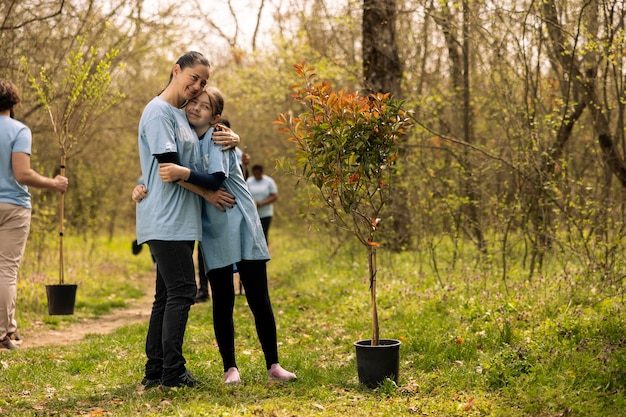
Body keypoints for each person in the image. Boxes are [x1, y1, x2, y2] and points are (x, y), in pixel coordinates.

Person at [133, 86, 296, 384]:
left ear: (216, 116)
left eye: (204, 106)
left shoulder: (219, 137)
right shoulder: (183, 136)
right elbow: (160, 164)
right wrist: (141, 184)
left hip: (240, 221)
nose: (195, 107)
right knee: (222, 300)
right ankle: (230, 368)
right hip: (212, 229)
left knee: (258, 297)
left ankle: (274, 364)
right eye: (193, 101)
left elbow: (216, 179)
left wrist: (183, 173)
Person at [135, 51, 239, 389]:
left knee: (166, 295)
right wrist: (208, 194)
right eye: (193, 78)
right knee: (183, 292)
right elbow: (167, 169)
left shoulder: (181, 116)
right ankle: (173, 374)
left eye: (203, 83)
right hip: (166, 219)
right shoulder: (158, 112)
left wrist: (235, 138)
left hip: (180, 219)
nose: (197, 87)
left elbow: (205, 143)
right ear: (176, 70)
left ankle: (155, 372)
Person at [0, 79, 69, 350]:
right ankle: (4, 333)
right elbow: (22, 173)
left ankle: (8, 329)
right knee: (6, 270)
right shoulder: (19, 130)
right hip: (13, 207)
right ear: (14, 103)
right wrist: (54, 183)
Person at [247, 164, 277, 244]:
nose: (257, 175)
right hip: (252, 213)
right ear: (253, 172)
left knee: (263, 234)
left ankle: (265, 255)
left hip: (266, 214)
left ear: (261, 172)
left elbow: (274, 196)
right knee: (253, 235)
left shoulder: (269, 181)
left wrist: (261, 203)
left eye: (258, 173)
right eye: (255, 173)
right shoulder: (249, 181)